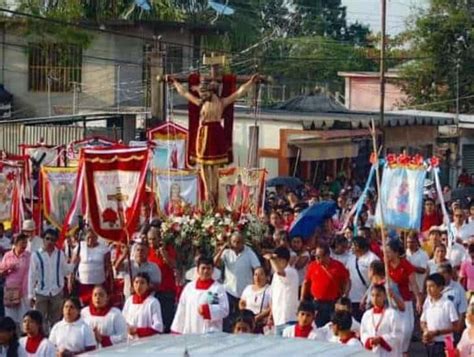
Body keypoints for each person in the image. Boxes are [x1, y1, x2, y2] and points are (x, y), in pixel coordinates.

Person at [169, 74, 259, 204]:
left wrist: (251, 81)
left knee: (215, 170)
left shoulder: (222, 102)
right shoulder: (201, 102)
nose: (203, 93)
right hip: (204, 135)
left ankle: (214, 195)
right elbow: (184, 93)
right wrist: (175, 82)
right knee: (205, 168)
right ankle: (208, 194)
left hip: (216, 135)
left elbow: (239, 92)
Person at [28, 229, 72, 333]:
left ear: (56, 241)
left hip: (56, 291)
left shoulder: (60, 254)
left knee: (56, 320)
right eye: (47, 239)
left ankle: (54, 341)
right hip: (41, 292)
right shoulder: (36, 255)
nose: (50, 242)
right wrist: (30, 295)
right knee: (40, 320)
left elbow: (65, 271)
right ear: (43, 239)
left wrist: (73, 263)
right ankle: (42, 340)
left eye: (53, 239)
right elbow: (31, 276)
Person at [213, 232, 260, 330]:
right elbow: (215, 263)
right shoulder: (226, 252)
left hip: (245, 292)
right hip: (229, 291)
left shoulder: (249, 253)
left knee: (243, 320)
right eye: (234, 242)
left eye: (238, 242)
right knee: (228, 319)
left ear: (243, 243)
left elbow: (257, 268)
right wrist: (222, 249)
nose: (236, 245)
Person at [171, 256, 229, 334]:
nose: (206, 271)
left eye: (208, 268)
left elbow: (223, 309)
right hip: (190, 330)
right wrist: (177, 330)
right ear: (198, 270)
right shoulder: (189, 288)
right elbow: (182, 309)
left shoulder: (214, 289)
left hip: (209, 332)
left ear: (213, 271)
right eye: (203, 268)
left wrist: (207, 310)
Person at [385, 239, 422, 355]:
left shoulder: (405, 264)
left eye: (389, 252)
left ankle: (404, 351)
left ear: (396, 253)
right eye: (385, 252)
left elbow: (413, 283)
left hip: (405, 301)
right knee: (393, 330)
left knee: (407, 330)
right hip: (390, 303)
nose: (386, 255)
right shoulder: (385, 265)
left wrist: (418, 299)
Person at [302, 243, 350, 327]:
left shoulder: (338, 266)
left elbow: (347, 281)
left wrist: (345, 295)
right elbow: (306, 282)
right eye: (315, 256)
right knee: (317, 327)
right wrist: (302, 299)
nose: (316, 258)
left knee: (334, 327)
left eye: (319, 256)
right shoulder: (312, 266)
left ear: (327, 255)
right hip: (317, 303)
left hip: (333, 303)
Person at [146, 226, 177, 333]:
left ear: (160, 239)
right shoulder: (147, 252)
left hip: (166, 291)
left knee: (167, 320)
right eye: (149, 239)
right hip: (152, 292)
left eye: (154, 239)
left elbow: (173, 265)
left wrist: (164, 254)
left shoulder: (168, 249)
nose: (151, 242)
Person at [420, 273, 459, 357]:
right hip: (430, 343)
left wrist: (437, 332)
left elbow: (456, 326)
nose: (428, 289)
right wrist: (426, 331)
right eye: (427, 287)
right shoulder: (427, 303)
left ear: (440, 287)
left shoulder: (447, 304)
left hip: (445, 343)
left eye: (432, 286)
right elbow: (423, 321)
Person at [360, 284, 402, 356]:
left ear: (385, 296)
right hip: (373, 351)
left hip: (388, 353)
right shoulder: (367, 315)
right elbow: (363, 332)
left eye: (378, 295)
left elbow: (398, 334)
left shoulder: (392, 314)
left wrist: (381, 340)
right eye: (372, 295)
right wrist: (369, 340)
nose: (375, 298)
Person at [74, 228, 112, 306]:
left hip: (98, 283)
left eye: (93, 237)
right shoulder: (80, 246)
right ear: (85, 237)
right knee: (84, 305)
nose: (90, 240)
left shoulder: (104, 248)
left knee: (97, 304)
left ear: (97, 237)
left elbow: (108, 266)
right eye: (88, 237)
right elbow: (73, 263)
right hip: (83, 283)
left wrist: (111, 281)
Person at [266, 247, 299, 336]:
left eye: (276, 260)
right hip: (277, 319)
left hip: (289, 319)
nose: (273, 262)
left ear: (283, 260)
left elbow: (280, 272)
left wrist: (271, 258)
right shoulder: (275, 276)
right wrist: (271, 315)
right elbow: (274, 297)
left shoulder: (291, 272)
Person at [0, 233, 30, 326]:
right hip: (10, 290)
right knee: (11, 317)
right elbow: (1, 272)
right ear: (16, 244)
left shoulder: (29, 256)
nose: (24, 245)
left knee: (24, 318)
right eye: (22, 243)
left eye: (26, 243)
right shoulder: (7, 256)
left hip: (24, 291)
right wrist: (8, 269)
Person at [347, 236, 379, 322]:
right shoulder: (350, 257)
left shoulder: (372, 259)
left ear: (359, 246)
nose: (351, 247)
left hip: (367, 299)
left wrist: (365, 297)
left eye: (353, 245)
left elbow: (376, 279)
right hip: (352, 298)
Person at [122, 272, 163, 339]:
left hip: (146, 341)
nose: (139, 286)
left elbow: (158, 326)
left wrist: (138, 331)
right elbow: (123, 320)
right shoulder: (129, 300)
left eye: (142, 283)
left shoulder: (153, 302)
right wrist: (127, 328)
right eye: (136, 282)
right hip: (129, 340)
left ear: (148, 285)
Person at [239, 267, 271, 333]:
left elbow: (271, 307)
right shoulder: (248, 288)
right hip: (247, 322)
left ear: (266, 277)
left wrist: (258, 317)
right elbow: (242, 302)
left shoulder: (270, 289)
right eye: (255, 274)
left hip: (261, 322)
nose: (257, 277)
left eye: (261, 274)